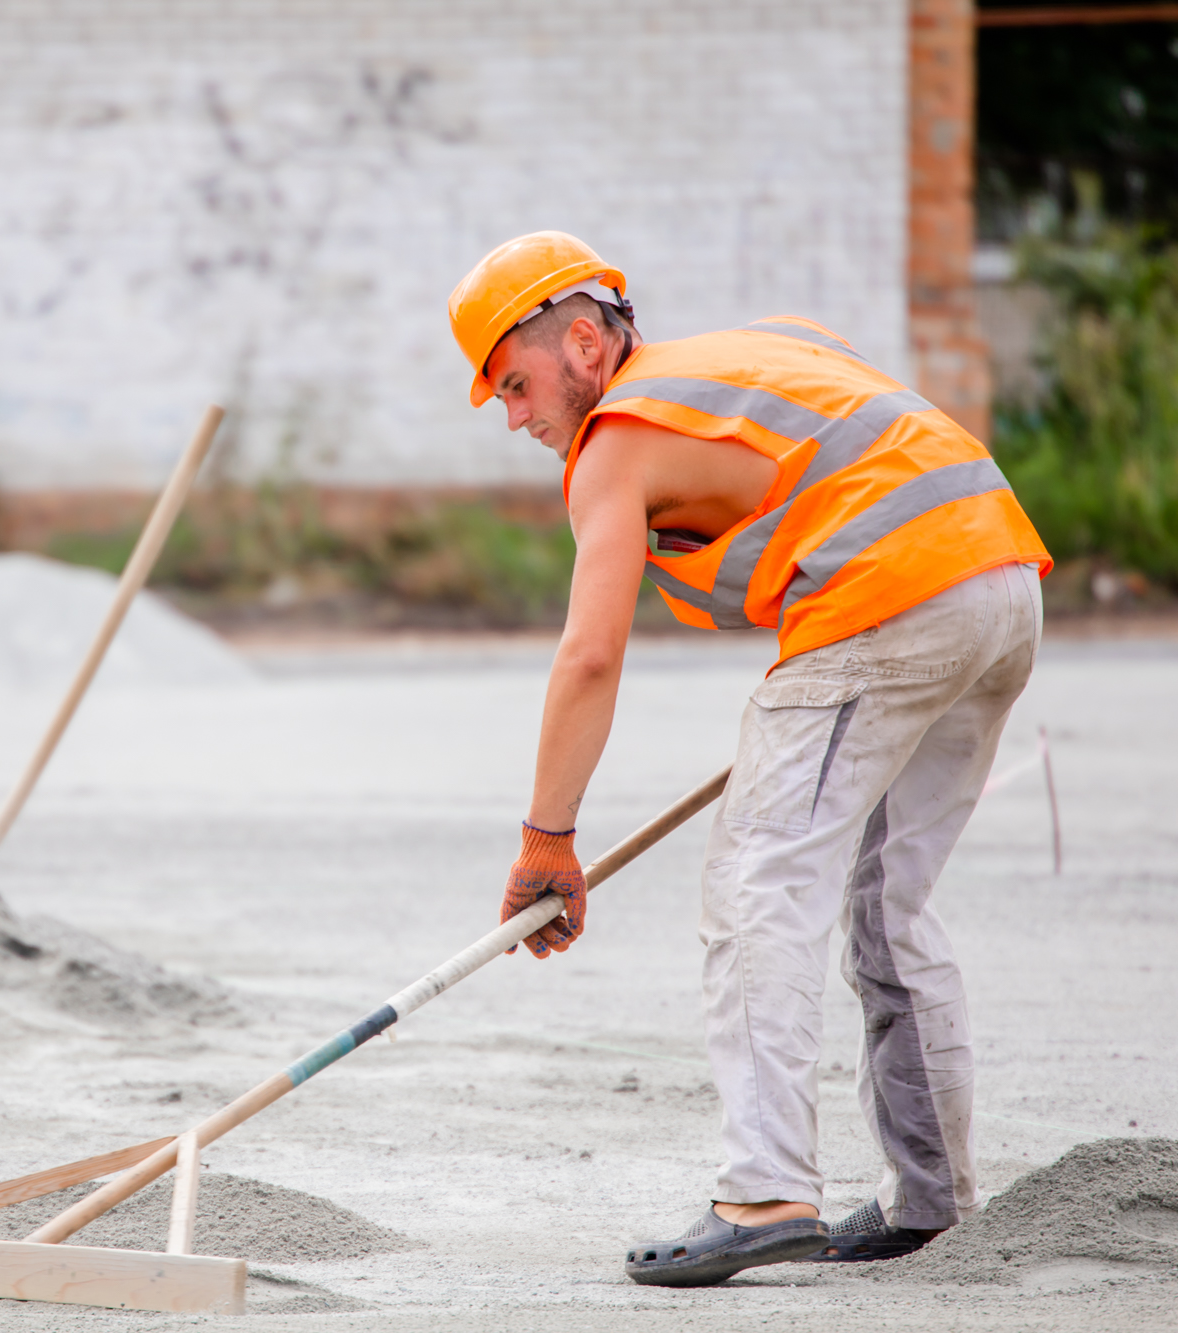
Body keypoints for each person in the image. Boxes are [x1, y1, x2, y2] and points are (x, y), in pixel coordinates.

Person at [447, 232, 1050, 1287]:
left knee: (757, 880)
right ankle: (929, 1200)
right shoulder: (755, 350)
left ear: (584, 343)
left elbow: (588, 655)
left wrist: (547, 838)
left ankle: (763, 1192)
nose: (513, 415)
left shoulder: (615, 442)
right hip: (999, 580)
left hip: (886, 598)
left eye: (514, 381)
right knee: (884, 905)